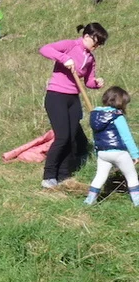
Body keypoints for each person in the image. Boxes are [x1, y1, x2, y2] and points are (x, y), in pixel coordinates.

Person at [39, 23, 107, 188]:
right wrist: (64, 59)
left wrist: (96, 83)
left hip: (73, 99)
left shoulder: (90, 58)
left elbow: (89, 81)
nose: (97, 46)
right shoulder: (70, 45)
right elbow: (45, 49)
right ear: (86, 36)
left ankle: (64, 175)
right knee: (62, 137)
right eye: (96, 42)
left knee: (71, 138)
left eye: (100, 44)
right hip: (56, 96)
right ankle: (49, 176)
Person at [84, 86, 139, 206]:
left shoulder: (95, 115)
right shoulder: (117, 116)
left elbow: (96, 137)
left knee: (100, 176)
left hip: (102, 153)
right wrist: (135, 154)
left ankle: (89, 201)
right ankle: (137, 202)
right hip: (119, 152)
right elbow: (127, 137)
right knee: (131, 176)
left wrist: (97, 151)